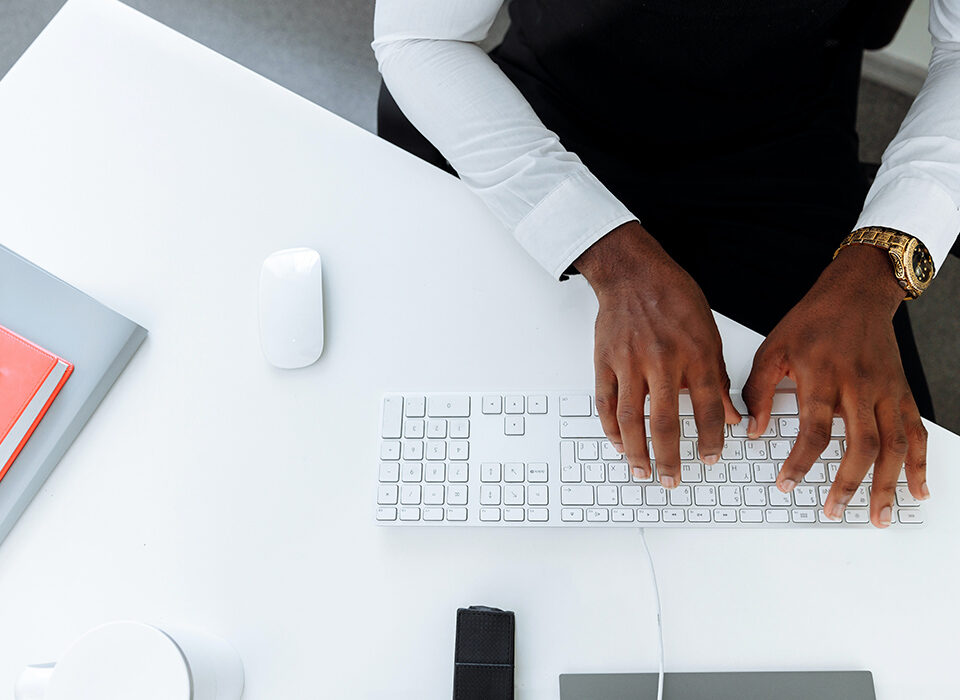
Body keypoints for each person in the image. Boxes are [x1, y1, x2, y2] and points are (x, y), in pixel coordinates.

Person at [372, 0, 960, 528]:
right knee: (453, 431)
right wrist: (608, 252)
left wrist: (874, 274)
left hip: (783, 144)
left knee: (865, 502)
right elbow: (420, 38)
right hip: (551, 118)